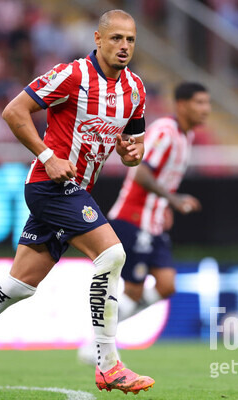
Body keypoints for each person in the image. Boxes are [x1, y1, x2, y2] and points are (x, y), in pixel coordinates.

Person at [0, 9, 155, 395]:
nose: (124, 46)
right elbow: (13, 111)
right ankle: (108, 365)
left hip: (78, 190)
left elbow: (135, 148)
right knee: (111, 255)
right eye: (116, 38)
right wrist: (46, 155)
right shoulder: (72, 75)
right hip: (48, 185)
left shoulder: (135, 89)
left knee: (18, 286)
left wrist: (130, 154)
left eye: (130, 40)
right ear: (98, 39)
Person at [78, 82, 211, 365]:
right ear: (182, 104)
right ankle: (97, 343)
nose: (205, 109)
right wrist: (172, 199)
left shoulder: (185, 137)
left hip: (153, 222)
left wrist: (164, 205)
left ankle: (99, 339)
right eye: (199, 103)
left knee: (166, 285)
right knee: (135, 291)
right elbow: (141, 174)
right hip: (133, 217)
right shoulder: (165, 131)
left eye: (207, 103)